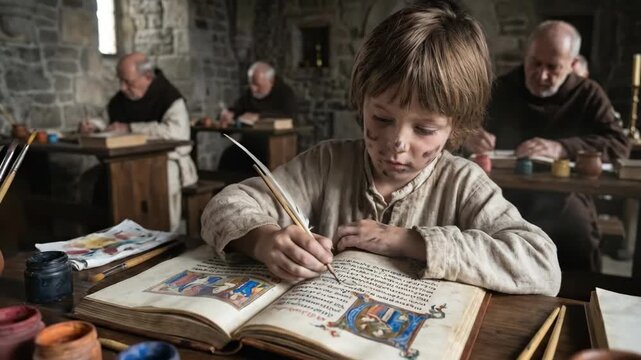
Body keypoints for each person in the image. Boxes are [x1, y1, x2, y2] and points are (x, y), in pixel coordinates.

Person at [201, 3, 561, 296]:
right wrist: (263, 240)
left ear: (456, 126)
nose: (397, 143)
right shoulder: (326, 164)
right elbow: (224, 205)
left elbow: (541, 265)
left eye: (424, 128)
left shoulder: (463, 183)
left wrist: (410, 242)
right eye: (382, 118)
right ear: (362, 102)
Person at [463, 21, 629, 271]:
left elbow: (618, 144)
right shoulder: (502, 88)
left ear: (572, 64)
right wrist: (469, 137)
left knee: (576, 236)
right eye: (535, 63)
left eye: (553, 67)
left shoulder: (588, 94)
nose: (541, 75)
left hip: (564, 195)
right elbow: (459, 127)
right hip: (504, 192)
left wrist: (561, 148)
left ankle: (580, 300)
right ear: (526, 55)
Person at [79, 52, 198, 231]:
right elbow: (107, 121)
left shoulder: (170, 97)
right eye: (120, 80)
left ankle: (163, 239)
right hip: (123, 162)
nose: (122, 87)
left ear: (147, 77)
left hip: (164, 161)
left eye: (128, 81)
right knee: (92, 182)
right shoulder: (122, 98)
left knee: (162, 184)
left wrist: (131, 128)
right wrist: (93, 125)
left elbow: (178, 133)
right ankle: (108, 238)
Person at [219, 61, 296, 128]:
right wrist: (229, 114)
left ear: (271, 81)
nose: (253, 89)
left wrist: (259, 116)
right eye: (251, 83)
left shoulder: (285, 93)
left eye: (257, 85)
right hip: (251, 139)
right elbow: (237, 109)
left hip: (276, 140)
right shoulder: (249, 93)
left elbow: (288, 116)